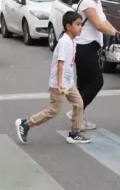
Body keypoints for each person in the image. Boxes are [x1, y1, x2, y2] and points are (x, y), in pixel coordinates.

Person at [15, 11, 91, 144]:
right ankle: (26, 124)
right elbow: (60, 64)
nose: (81, 27)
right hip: (58, 84)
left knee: (79, 104)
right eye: (78, 25)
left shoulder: (72, 40)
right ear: (68, 26)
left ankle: (74, 133)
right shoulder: (64, 43)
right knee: (53, 111)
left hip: (68, 82)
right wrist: (60, 84)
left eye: (81, 24)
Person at [68, 0, 120, 130]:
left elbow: (104, 21)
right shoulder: (87, 3)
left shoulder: (97, 2)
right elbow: (98, 25)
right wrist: (114, 33)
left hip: (91, 47)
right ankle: (75, 113)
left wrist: (117, 32)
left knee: (84, 85)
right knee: (96, 81)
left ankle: (79, 119)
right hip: (83, 47)